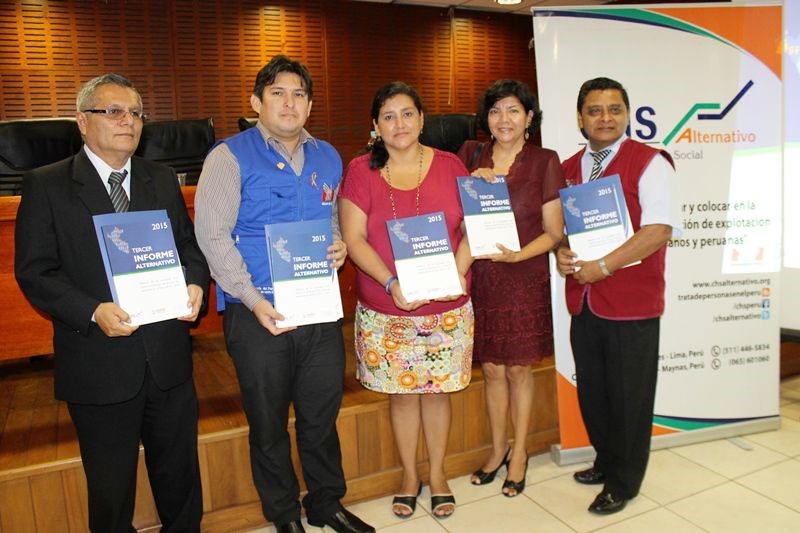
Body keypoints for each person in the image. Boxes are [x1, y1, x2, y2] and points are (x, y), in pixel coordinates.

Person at [14, 73, 208, 532]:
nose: (128, 121)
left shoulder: (161, 178)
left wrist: (195, 283)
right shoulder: (46, 184)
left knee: (180, 480)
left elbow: (189, 249)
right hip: (98, 364)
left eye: (136, 113)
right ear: (82, 122)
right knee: (111, 491)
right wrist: (91, 310)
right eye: (114, 111)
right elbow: (35, 271)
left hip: (167, 360)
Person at [194, 55, 373, 533]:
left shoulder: (328, 156)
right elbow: (212, 236)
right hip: (258, 312)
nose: (289, 103)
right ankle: (284, 513)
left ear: (310, 105)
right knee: (269, 422)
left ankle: (326, 503)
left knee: (321, 414)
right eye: (277, 93)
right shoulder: (228, 156)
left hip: (317, 309)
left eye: (298, 94)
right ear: (256, 102)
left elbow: (331, 216)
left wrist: (337, 244)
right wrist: (253, 300)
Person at [338, 81, 474, 520]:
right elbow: (354, 238)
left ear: (422, 118)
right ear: (375, 126)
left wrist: (457, 272)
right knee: (401, 395)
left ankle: (437, 474)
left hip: (445, 309)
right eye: (389, 116)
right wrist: (391, 282)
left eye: (408, 113)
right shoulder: (361, 171)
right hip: (387, 308)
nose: (399, 123)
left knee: (436, 395)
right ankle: (409, 476)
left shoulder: (452, 165)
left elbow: (474, 227)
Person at [556, 77, 680, 515]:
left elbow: (658, 230)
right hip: (585, 301)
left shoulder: (650, 163)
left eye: (614, 109)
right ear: (580, 118)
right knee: (594, 392)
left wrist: (604, 266)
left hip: (631, 304)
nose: (605, 118)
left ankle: (624, 482)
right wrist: (562, 252)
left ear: (628, 114)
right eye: (595, 110)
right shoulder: (569, 167)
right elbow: (564, 231)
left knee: (629, 398)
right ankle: (606, 461)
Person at [457, 79, 565, 497]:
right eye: (495, 110)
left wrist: (519, 256)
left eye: (513, 110)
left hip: (523, 279)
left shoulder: (544, 161)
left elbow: (554, 232)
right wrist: (470, 182)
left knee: (519, 369)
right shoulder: (471, 155)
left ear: (529, 117)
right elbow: (453, 216)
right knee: (492, 370)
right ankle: (497, 448)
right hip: (483, 279)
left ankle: (519, 453)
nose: (503, 119)